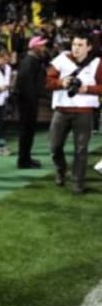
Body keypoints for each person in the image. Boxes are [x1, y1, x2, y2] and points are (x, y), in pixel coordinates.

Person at [46, 32, 102, 194]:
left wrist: (87, 89)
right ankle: (60, 169)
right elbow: (47, 82)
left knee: (81, 149)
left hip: (84, 111)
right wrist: (61, 82)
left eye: (80, 45)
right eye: (74, 45)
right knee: (54, 147)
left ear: (89, 47)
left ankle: (78, 182)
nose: (76, 48)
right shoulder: (61, 60)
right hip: (61, 110)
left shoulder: (97, 63)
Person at [15, 36, 48, 168]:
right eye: (41, 45)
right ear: (35, 47)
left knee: (29, 131)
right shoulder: (29, 62)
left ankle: (26, 157)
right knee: (26, 131)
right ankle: (23, 160)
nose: (44, 48)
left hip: (30, 100)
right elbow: (25, 85)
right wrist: (32, 101)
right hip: (27, 102)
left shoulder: (34, 61)